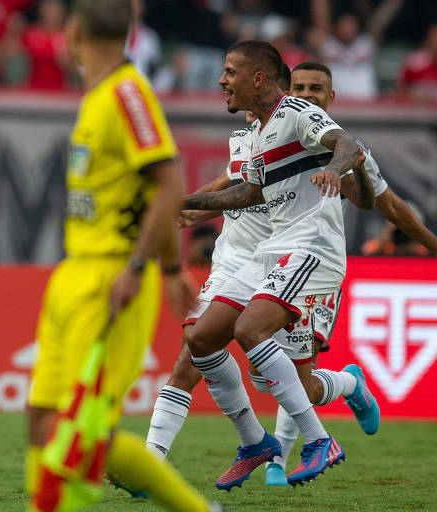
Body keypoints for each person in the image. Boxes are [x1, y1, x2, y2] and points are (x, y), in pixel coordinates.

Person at [26, 2, 221, 511]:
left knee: (83, 429)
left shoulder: (128, 94)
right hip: (75, 272)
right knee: (43, 419)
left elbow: (169, 182)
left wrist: (154, 268)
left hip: (113, 275)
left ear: (71, 31)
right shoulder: (97, 96)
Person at [179, 40, 376, 489]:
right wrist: (184, 201)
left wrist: (336, 169)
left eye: (230, 72)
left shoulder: (296, 113)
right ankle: (254, 442)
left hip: (313, 245)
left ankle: (318, 440)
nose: (221, 81)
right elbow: (245, 195)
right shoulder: (260, 134)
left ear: (258, 78)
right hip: (274, 247)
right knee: (203, 339)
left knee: (250, 331)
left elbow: (344, 143)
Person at [265, 60, 437, 484]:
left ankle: (277, 463)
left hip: (318, 267)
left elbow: (384, 204)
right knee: (278, 372)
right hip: (269, 260)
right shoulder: (265, 139)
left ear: (331, 98)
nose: (306, 94)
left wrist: (434, 245)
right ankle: (347, 385)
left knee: (293, 365)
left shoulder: (344, 146)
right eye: (299, 87)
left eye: (316, 89)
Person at [399, 23, 437, 104]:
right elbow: (401, 91)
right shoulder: (414, 63)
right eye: (434, 38)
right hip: (418, 111)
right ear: (428, 40)